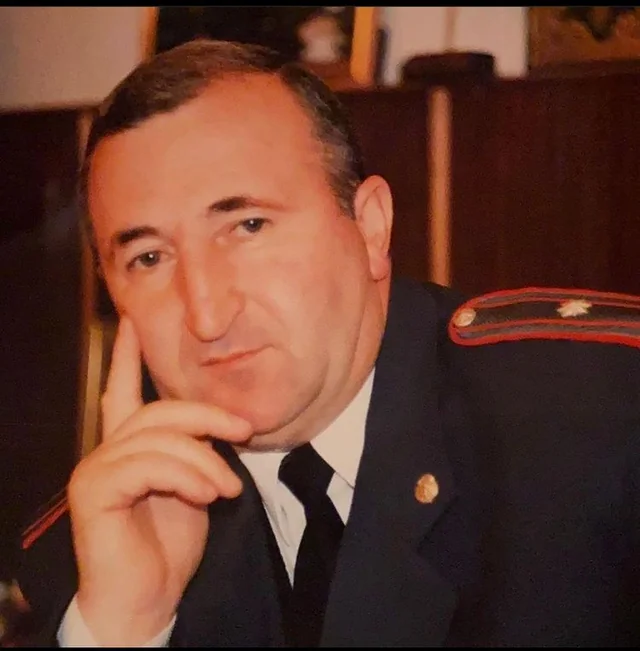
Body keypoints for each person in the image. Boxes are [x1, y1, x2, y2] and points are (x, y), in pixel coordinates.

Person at [15, 38, 640, 647]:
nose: (207, 315)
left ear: (370, 227)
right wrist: (127, 626)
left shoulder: (601, 427)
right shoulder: (96, 554)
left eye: (248, 226)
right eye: (149, 258)